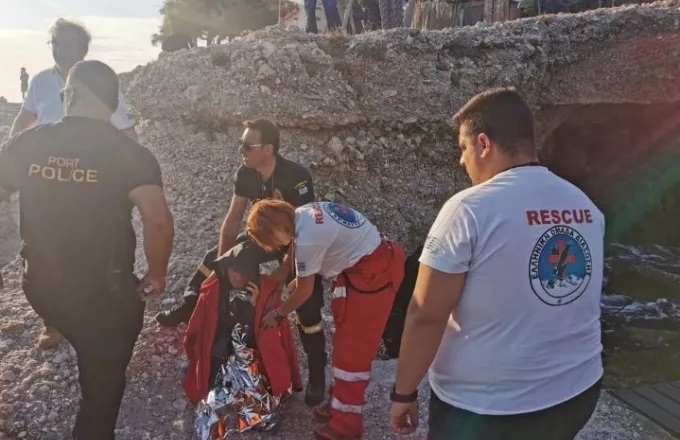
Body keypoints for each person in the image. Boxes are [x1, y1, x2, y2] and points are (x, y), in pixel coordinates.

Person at [389, 88, 604, 440]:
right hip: (577, 390)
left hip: (488, 410)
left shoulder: (468, 209)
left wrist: (404, 392)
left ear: (484, 144)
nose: (462, 161)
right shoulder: (585, 206)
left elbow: (425, 313)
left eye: (463, 148)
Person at [0, 60, 174, 440]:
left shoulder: (29, 143)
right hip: (101, 293)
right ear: (112, 103)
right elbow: (158, 221)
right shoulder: (131, 155)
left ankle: (82, 344)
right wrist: (157, 273)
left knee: (83, 336)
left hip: (39, 284)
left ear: (70, 94)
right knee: (102, 387)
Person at [156, 118, 328, 406]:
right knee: (214, 259)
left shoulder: (296, 177)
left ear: (268, 149)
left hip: (298, 241)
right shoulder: (245, 173)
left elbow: (303, 232)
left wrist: (284, 270)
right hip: (264, 237)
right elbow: (234, 218)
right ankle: (189, 306)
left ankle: (318, 376)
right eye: (241, 144)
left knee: (308, 304)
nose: (241, 150)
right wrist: (224, 263)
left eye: (248, 145)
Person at [10, 18, 138, 350]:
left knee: (88, 247)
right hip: (44, 181)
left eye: (65, 44)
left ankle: (90, 313)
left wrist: (134, 176)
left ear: (83, 49)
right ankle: (52, 321)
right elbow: (24, 120)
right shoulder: (40, 81)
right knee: (40, 252)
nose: (58, 50)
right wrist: (12, 155)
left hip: (88, 180)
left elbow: (126, 132)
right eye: (54, 43)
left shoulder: (101, 84)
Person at [246, 199, 406, 440]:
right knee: (343, 343)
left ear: (278, 228)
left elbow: (304, 291)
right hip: (366, 264)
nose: (274, 246)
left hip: (374, 274)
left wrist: (278, 314)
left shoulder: (308, 238)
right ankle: (338, 404)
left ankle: (347, 426)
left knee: (353, 352)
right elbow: (296, 246)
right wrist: (289, 273)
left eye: (270, 240)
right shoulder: (303, 214)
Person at [183, 240, 302, 411]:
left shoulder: (265, 292)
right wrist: (194, 356)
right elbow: (195, 330)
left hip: (251, 357)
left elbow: (269, 340)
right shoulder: (212, 291)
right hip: (219, 354)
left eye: (244, 271)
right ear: (225, 269)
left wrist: (254, 307)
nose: (239, 277)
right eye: (234, 270)